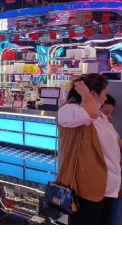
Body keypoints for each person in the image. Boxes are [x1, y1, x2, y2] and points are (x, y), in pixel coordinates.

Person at [56, 73, 121, 225]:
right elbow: (89, 114)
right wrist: (86, 94)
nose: (106, 98)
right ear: (93, 93)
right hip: (86, 189)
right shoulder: (70, 110)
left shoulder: (100, 115)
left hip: (108, 188)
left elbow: (113, 143)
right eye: (104, 93)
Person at [100, 94, 122, 224]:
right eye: (106, 112)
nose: (110, 117)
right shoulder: (97, 129)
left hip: (114, 186)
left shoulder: (111, 130)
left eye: (112, 113)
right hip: (104, 186)